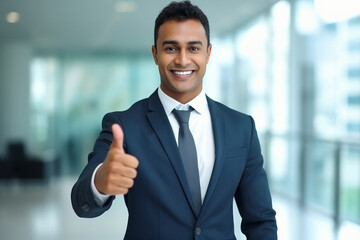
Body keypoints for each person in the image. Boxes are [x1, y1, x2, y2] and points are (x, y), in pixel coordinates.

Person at [71, 1, 277, 239]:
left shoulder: (241, 128)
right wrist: (99, 183)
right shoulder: (123, 126)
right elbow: (80, 202)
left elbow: (260, 220)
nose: (182, 60)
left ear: (208, 53)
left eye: (193, 48)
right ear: (155, 54)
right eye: (171, 48)